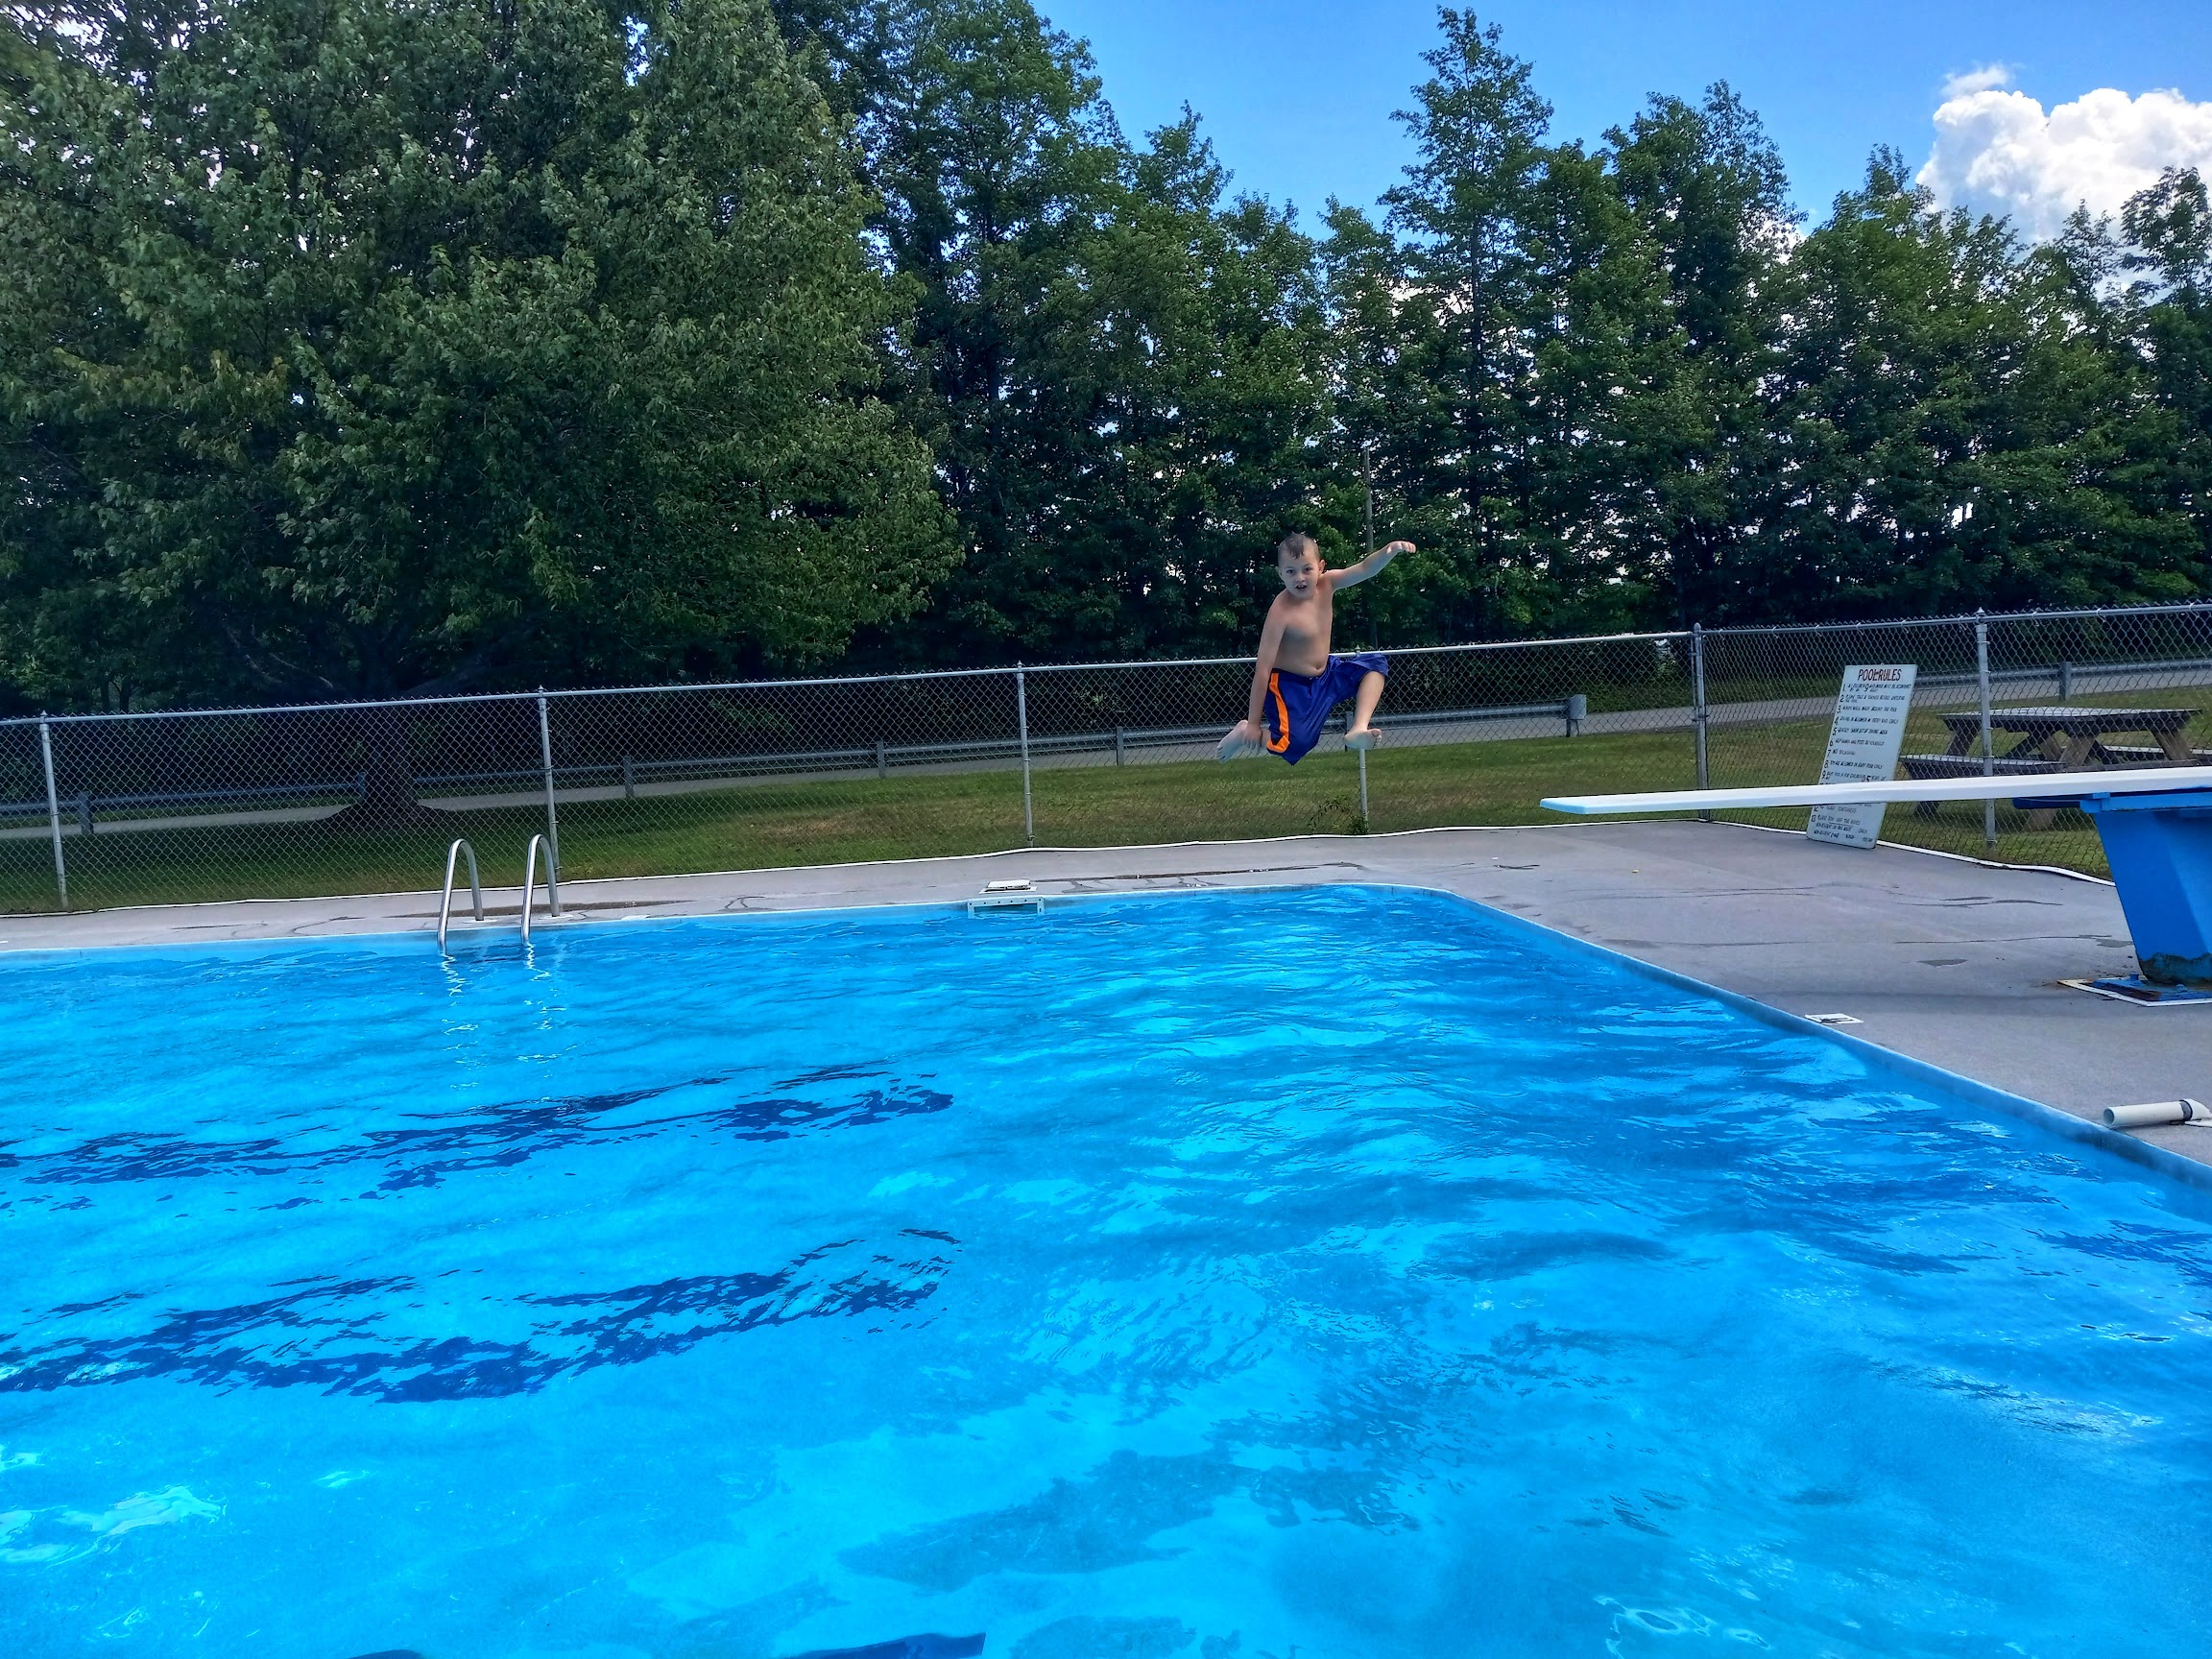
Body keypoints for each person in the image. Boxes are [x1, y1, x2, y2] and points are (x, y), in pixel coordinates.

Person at [1217, 531, 1413, 764]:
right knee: (1297, 744)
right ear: (1280, 574)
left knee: (1375, 664)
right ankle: (1245, 734)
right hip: (1290, 685)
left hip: (1327, 674)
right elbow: (1263, 668)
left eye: (1307, 569)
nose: (1300, 578)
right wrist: (1253, 723)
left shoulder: (1327, 584)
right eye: (1291, 572)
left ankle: (1358, 729)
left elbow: (1364, 569)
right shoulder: (1281, 611)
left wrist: (1387, 552)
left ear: (1320, 567)